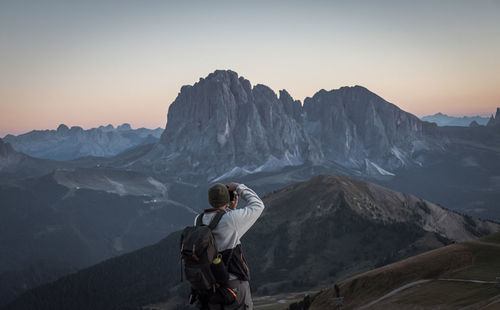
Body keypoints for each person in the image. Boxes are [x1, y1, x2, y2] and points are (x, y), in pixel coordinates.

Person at [195, 182, 264, 310]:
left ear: (210, 200)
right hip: (233, 283)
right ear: (227, 200)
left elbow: (220, 232)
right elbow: (258, 205)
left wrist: (231, 210)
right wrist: (239, 187)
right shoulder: (231, 219)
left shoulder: (198, 220)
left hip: (210, 284)